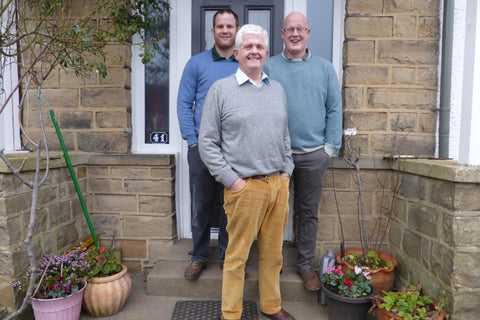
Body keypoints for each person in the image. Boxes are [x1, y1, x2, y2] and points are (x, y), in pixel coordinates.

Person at [199, 24, 296, 320]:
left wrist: (287, 170)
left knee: (272, 255)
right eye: (248, 47)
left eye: (259, 47)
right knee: (237, 256)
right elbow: (207, 143)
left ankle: (271, 305)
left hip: (277, 186)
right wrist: (233, 181)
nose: (254, 51)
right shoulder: (221, 90)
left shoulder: (276, 89)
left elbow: (284, 135)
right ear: (238, 53)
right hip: (245, 189)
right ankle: (230, 313)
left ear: (266, 52)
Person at [263, 12, 343, 292]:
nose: (295, 34)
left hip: (313, 155)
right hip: (277, 156)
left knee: (308, 213)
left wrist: (329, 149)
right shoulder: (269, 67)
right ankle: (273, 263)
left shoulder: (324, 68)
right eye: (289, 30)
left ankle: (305, 265)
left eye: (300, 29)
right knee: (274, 212)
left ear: (308, 33)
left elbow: (334, 109)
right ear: (282, 34)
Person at [177, 9, 239, 281]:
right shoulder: (197, 63)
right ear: (212, 32)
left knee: (231, 206)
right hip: (202, 148)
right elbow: (183, 103)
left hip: (236, 150)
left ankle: (227, 257)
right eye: (220, 26)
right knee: (202, 204)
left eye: (230, 26)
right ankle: (199, 256)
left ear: (236, 30)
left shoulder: (245, 62)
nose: (225, 30)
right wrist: (192, 141)